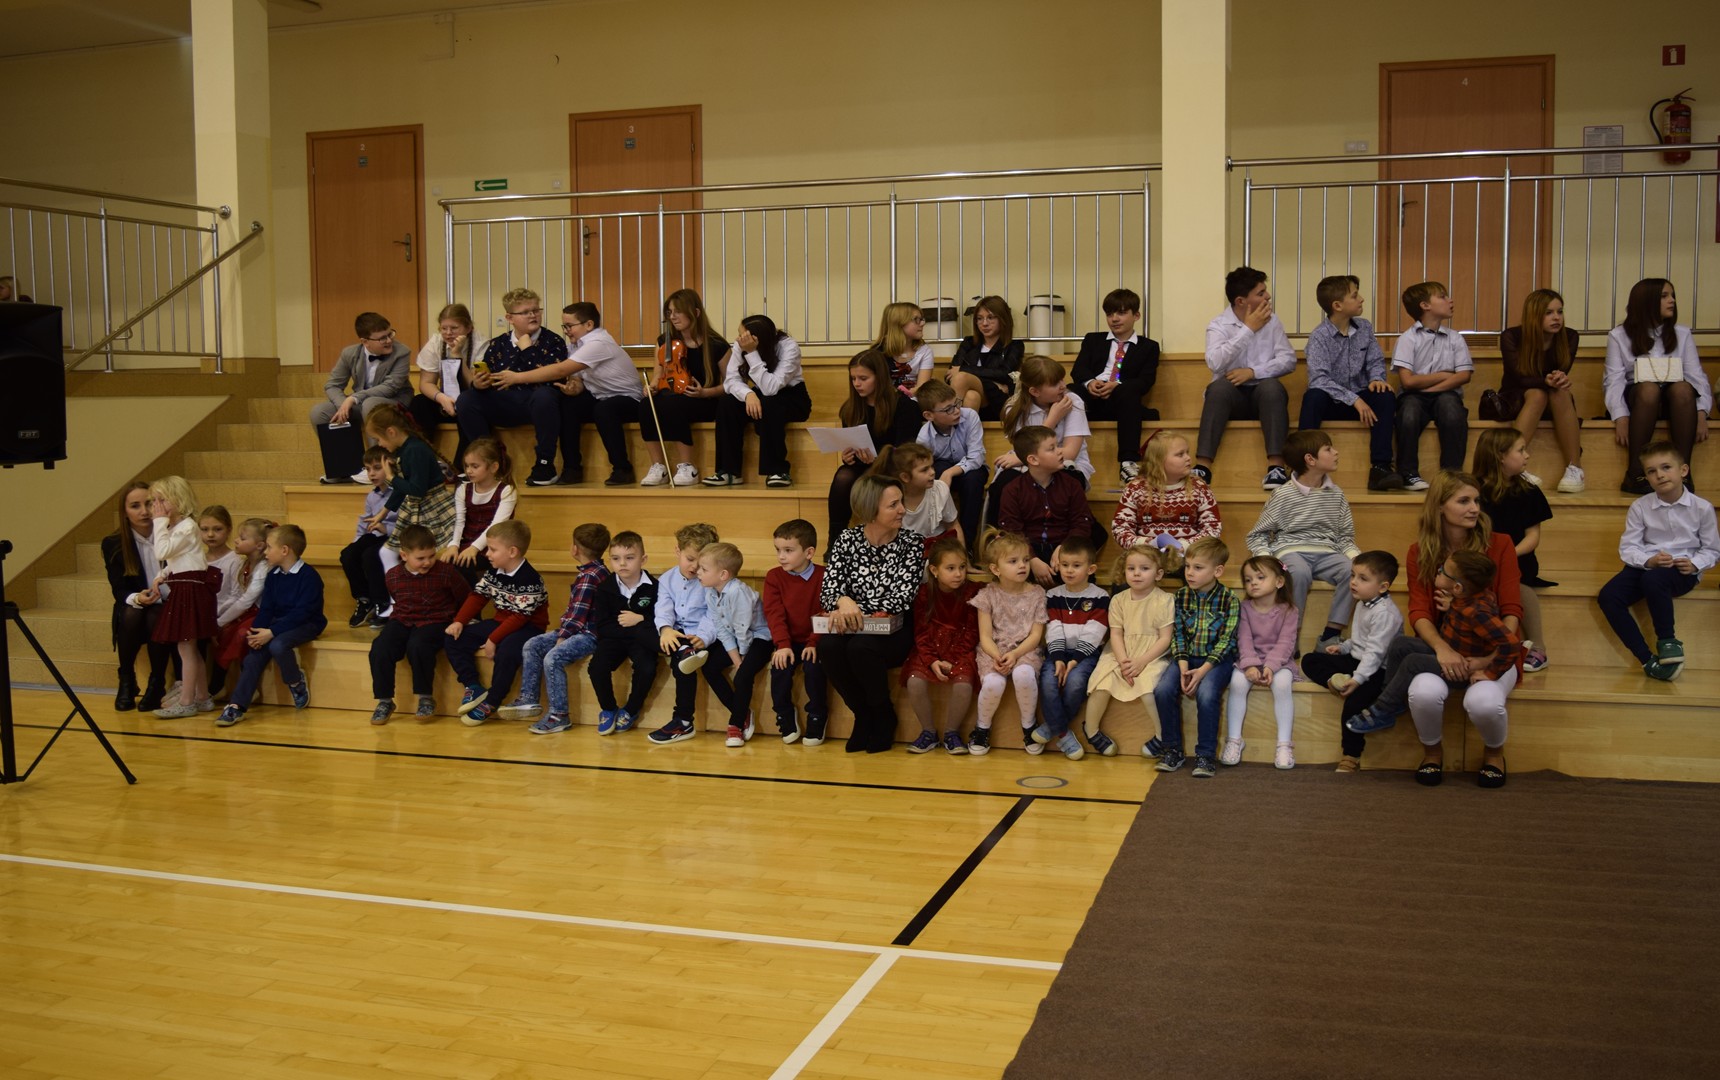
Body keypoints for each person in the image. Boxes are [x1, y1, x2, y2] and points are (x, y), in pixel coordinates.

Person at [1373, 471, 1521, 785]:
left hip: (1494, 652)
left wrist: (1488, 660)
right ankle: (1432, 753)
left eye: (1476, 501)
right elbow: (1419, 612)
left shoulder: (1501, 544)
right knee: (1423, 692)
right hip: (1444, 648)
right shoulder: (1419, 552)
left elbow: (1511, 609)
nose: (1474, 508)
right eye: (1464, 501)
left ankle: (1494, 753)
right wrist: (1443, 650)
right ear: (1440, 506)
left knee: (1482, 702)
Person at [1345, 549, 1520, 789]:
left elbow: (1511, 644)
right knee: (1401, 644)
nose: (1437, 571)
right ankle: (1390, 698)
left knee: (1412, 662)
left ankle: (1383, 709)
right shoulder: (1467, 599)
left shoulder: (1477, 612)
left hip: (1463, 668)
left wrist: (1488, 671)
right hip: (1452, 649)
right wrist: (1453, 605)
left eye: (1442, 571)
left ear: (1457, 587)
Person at [1598, 441, 1719, 681]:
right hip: (1647, 565)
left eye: (1666, 467)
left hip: (1682, 570)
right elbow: (1629, 547)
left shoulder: (1702, 508)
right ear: (1647, 478)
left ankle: (1668, 640)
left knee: (1654, 580)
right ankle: (1647, 660)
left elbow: (1712, 550)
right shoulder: (1640, 507)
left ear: (1683, 470)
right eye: (1652, 471)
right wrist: (1649, 560)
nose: (1660, 475)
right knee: (1609, 596)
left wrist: (1695, 564)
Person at [820, 475, 925, 753]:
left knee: (860, 647)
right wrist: (843, 600)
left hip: (895, 631)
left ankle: (883, 714)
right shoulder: (847, 539)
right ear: (870, 509)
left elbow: (901, 598)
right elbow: (828, 591)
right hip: (854, 626)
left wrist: (852, 607)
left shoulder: (912, 543)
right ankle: (862, 713)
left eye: (901, 502)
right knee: (828, 646)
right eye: (893, 505)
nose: (902, 509)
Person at [496, 302, 642, 486]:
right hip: (600, 396)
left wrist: (516, 378)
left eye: (569, 326)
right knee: (568, 405)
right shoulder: (575, 345)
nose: (566, 331)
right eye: (564, 326)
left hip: (629, 399)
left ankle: (622, 469)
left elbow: (561, 370)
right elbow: (577, 378)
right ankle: (572, 469)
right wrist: (575, 387)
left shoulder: (598, 343)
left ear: (589, 325)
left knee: (605, 409)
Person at [1244, 429, 1359, 646]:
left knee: (1352, 571)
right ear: (1310, 459)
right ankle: (1290, 635)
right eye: (1328, 449)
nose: (1335, 452)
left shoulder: (1337, 494)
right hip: (1290, 550)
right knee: (1298, 572)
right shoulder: (1283, 494)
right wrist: (1266, 558)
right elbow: (1258, 534)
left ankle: (1331, 634)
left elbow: (1345, 536)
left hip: (1327, 551)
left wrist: (1356, 558)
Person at [498, 523, 611, 734]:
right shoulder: (593, 571)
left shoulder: (590, 576)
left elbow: (578, 615)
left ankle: (559, 715)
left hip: (588, 635)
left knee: (553, 658)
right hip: (577, 630)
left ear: (575, 549)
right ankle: (529, 698)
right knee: (532, 645)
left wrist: (563, 636)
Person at [1299, 551, 1404, 774]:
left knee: (1353, 705)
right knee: (1309, 660)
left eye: (1363, 578)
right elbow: (1360, 641)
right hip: (1356, 661)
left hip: (1376, 671)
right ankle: (1334, 681)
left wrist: (1357, 680)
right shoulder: (1363, 602)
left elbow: (1374, 653)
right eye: (1353, 575)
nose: (1354, 582)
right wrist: (1343, 648)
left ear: (1383, 587)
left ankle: (1351, 755)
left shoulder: (1386, 614)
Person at [1605, 278, 1711, 494]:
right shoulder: (1618, 335)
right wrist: (1620, 416)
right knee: (1649, 389)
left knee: (1683, 388)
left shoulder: (1682, 333)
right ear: (1647, 301)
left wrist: (1701, 412)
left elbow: (1696, 376)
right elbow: (1613, 379)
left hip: (1677, 402)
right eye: (1664, 296)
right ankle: (1636, 473)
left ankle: (1682, 473)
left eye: (1672, 295)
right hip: (1639, 401)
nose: (1672, 301)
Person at [216, 525, 327, 727]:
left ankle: (295, 681)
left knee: (278, 645)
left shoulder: (309, 577)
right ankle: (236, 706)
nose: (265, 552)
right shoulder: (274, 575)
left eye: (269, 547)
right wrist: (256, 633)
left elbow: (303, 613)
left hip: (307, 623)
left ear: (284, 550)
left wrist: (272, 632)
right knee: (252, 658)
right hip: (279, 624)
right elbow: (266, 609)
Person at [456, 287, 570, 487]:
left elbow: (552, 378)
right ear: (510, 318)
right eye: (525, 312)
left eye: (536, 310)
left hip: (536, 403)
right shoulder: (497, 344)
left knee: (545, 395)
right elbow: (488, 376)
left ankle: (545, 464)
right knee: (467, 399)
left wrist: (527, 349)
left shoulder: (554, 341)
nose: (533, 315)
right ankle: (488, 461)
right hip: (504, 401)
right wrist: (479, 384)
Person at [1300, 274, 1404, 491]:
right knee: (1313, 396)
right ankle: (1303, 467)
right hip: (1333, 401)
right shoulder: (1319, 336)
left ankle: (1381, 468)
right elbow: (1319, 379)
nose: (1362, 299)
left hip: (1362, 400)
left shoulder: (1364, 328)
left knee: (1385, 396)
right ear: (1337, 306)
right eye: (1355, 296)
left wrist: (1377, 379)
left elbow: (1375, 360)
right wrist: (1353, 399)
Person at [444, 519, 550, 725]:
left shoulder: (530, 579)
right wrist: (459, 621)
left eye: (492, 549)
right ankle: (473, 686)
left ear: (512, 552)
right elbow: (478, 596)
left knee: (508, 650)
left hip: (528, 628)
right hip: (501, 622)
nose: (487, 554)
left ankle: (492, 701)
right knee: (454, 638)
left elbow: (520, 617)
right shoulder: (494, 571)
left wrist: (493, 639)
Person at [1150, 536, 1238, 778]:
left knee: (1207, 694)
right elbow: (1177, 634)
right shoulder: (1180, 597)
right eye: (1187, 566)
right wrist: (1182, 665)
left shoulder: (1230, 599)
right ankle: (1172, 749)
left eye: (1198, 568)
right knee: (1163, 690)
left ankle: (1206, 755)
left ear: (1217, 571)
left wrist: (1202, 671)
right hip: (1186, 658)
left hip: (1216, 662)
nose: (1189, 573)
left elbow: (1227, 641)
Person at [1199, 268, 1295, 489]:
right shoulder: (1218, 324)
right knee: (1218, 388)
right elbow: (1215, 363)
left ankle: (1276, 468)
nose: (1268, 296)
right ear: (1241, 301)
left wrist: (1253, 372)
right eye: (1261, 293)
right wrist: (1248, 329)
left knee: (1272, 387)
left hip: (1264, 398)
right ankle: (1202, 468)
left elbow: (1288, 360)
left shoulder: (1273, 321)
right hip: (1231, 400)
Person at [367, 524, 471, 724]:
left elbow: (466, 597)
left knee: (418, 645)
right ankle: (384, 701)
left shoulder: (446, 572)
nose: (427, 562)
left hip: (436, 620)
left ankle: (425, 698)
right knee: (380, 648)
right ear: (404, 556)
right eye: (420, 558)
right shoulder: (393, 575)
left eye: (431, 556)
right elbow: (397, 599)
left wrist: (460, 620)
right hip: (403, 619)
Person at [1472, 428, 1555, 673]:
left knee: (1516, 583)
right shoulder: (1473, 491)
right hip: (1480, 558)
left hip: (1518, 558)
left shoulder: (1529, 491)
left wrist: (1507, 556)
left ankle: (1538, 646)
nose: (1527, 455)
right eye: (1521, 450)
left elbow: (1533, 537)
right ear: (1500, 456)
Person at [1084, 544, 1174, 758]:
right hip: (1120, 652)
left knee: (1148, 689)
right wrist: (1124, 662)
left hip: (1151, 654)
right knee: (1101, 684)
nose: (1136, 573)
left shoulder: (1165, 600)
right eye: (1131, 568)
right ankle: (1091, 730)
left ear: (1158, 574)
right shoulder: (1118, 600)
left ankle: (1162, 735)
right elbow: (1115, 634)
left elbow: (1165, 638)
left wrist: (1141, 661)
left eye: (1144, 568)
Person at [827, 349, 924, 545]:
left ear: (879, 377)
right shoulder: (851, 408)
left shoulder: (905, 407)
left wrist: (877, 458)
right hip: (864, 464)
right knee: (843, 476)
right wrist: (848, 456)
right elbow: (852, 441)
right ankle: (835, 542)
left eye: (863, 378)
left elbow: (906, 452)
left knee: (878, 481)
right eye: (853, 378)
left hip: (893, 466)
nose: (857, 384)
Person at [965, 531, 1047, 756]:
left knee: (1023, 675)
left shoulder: (1037, 594)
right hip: (995, 651)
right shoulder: (987, 595)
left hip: (1025, 650)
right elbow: (985, 636)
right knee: (994, 683)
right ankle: (982, 728)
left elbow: (1035, 635)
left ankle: (1029, 726)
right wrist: (997, 656)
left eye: (1025, 560)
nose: (1022, 566)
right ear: (995, 569)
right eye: (1013, 561)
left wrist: (1015, 654)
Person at [987, 355, 1094, 528]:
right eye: (1054, 384)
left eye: (1061, 379)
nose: (1063, 386)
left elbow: (1070, 452)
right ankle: (1001, 538)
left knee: (1063, 483)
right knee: (1003, 485)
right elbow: (1025, 447)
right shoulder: (1013, 408)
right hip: (1028, 463)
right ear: (1035, 391)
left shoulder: (1072, 401)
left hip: (1064, 463)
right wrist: (1052, 419)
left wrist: (1021, 458)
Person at [707, 314, 812, 488]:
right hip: (759, 395)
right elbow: (731, 381)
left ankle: (777, 470)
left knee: (770, 404)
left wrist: (751, 353)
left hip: (791, 397)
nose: (738, 339)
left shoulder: (788, 347)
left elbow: (772, 387)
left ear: (757, 338)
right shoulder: (741, 345)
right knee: (727, 403)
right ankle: (728, 471)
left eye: (742, 335)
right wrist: (748, 394)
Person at [639, 289, 729, 487]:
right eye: (670, 312)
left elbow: (731, 384)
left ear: (695, 313)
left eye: (678, 311)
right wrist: (652, 387)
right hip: (672, 396)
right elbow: (658, 375)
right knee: (646, 404)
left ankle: (688, 466)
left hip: (705, 400)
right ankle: (658, 467)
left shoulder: (717, 345)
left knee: (674, 404)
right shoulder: (664, 341)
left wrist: (705, 392)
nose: (672, 317)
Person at [1030, 535, 1109, 761]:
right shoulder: (1053, 595)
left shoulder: (1100, 597)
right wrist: (1058, 658)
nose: (1069, 570)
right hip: (1057, 652)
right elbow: (1053, 628)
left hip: (1086, 654)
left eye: (1076, 565)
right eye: (1064, 565)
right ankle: (1063, 733)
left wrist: (1075, 660)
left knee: (1075, 683)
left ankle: (1051, 727)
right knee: (1048, 682)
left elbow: (1094, 632)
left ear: (1090, 569)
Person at [1497, 288, 1584, 492]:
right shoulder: (1511, 336)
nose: (1556, 318)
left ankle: (1575, 468)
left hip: (1554, 398)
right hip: (1517, 397)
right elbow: (1518, 377)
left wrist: (1559, 378)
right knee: (1538, 394)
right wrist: (1545, 381)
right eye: (1548, 313)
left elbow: (1563, 370)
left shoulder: (1570, 336)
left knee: (1560, 391)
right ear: (1534, 315)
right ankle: (1513, 468)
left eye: (1560, 312)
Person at [1070, 288, 1160, 483]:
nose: (1114, 319)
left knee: (1129, 390)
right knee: (1070, 390)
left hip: (1122, 401)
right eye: (1110, 314)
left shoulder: (1149, 347)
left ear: (1136, 316)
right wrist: (1090, 382)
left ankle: (1128, 462)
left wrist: (1117, 385)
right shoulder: (1093, 340)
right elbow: (1078, 370)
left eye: (1121, 313)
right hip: (1092, 399)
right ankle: (1063, 452)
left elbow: (1146, 381)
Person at [901, 536, 981, 755]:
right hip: (931, 647)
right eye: (951, 568)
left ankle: (952, 733)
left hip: (961, 648)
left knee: (964, 684)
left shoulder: (972, 592)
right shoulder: (924, 593)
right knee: (915, 681)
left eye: (962, 567)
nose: (959, 574)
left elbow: (972, 631)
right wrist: (932, 660)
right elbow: (920, 632)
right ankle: (928, 732)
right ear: (934, 570)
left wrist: (953, 659)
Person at [312, 312, 414, 484]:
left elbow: (390, 387)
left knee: (370, 404)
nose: (389, 340)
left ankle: (378, 466)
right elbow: (332, 385)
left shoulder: (402, 352)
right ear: (365, 342)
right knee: (319, 412)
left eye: (390, 334)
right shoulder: (349, 353)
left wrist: (353, 399)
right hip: (362, 403)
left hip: (394, 402)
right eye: (382, 338)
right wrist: (343, 405)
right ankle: (343, 468)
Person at [146, 475, 218, 718]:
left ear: (179, 499)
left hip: (191, 590)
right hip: (184, 586)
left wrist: (158, 523)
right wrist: (163, 574)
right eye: (154, 501)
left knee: (185, 646)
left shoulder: (187, 526)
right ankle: (202, 697)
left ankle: (187, 701)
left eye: (162, 500)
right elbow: (179, 559)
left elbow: (162, 551)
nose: (157, 507)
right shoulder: (177, 528)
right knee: (190, 648)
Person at [645, 523, 722, 745]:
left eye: (701, 562)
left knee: (682, 660)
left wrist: (703, 638)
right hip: (674, 634)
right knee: (643, 630)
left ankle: (683, 721)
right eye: (690, 559)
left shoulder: (711, 581)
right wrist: (665, 630)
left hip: (698, 636)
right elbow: (663, 609)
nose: (695, 567)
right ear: (677, 551)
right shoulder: (667, 579)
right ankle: (683, 650)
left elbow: (713, 615)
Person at [1392, 280, 1473, 492]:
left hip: (1445, 394)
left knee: (1452, 410)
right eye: (1443, 297)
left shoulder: (1455, 338)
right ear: (1425, 305)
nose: (1450, 300)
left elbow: (1464, 375)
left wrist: (1430, 388)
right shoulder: (1407, 339)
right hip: (1412, 395)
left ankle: (1451, 475)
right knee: (1408, 413)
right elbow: (1408, 381)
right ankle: (1408, 473)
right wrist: (1444, 374)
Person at [1222, 555, 1301, 770]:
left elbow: (1286, 643)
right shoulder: (1244, 608)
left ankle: (1284, 744)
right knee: (1237, 683)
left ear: (1279, 581)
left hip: (1279, 661)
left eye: (1260, 577)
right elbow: (1244, 639)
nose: (1253, 583)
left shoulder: (1289, 610)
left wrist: (1270, 667)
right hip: (1249, 659)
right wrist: (1250, 665)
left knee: (1282, 684)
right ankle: (1234, 740)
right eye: (1248, 580)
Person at [696, 541, 776, 746]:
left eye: (704, 569)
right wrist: (736, 659)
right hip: (736, 637)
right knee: (709, 667)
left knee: (743, 676)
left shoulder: (737, 592)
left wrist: (743, 660)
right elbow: (722, 629)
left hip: (759, 638)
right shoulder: (711, 592)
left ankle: (736, 724)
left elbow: (743, 630)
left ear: (723, 574)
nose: (698, 572)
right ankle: (742, 711)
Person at [103, 482, 174, 712]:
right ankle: (126, 679)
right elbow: (118, 589)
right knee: (132, 613)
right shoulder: (113, 543)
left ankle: (157, 682)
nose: (144, 511)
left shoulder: (171, 533)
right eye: (135, 506)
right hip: (136, 604)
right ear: (125, 512)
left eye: (149, 503)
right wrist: (137, 598)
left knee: (155, 616)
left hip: (169, 603)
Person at [997, 425, 1098, 585]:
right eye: (1052, 449)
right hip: (1027, 551)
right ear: (1033, 460)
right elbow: (1012, 531)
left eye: (1058, 446)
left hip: (1065, 546)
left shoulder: (1072, 484)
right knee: (1013, 566)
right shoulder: (1013, 490)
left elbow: (1082, 523)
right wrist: (1032, 559)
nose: (1060, 451)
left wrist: (1064, 548)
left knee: (1078, 567)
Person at [1110, 430, 1222, 573]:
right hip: (1146, 555)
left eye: (1187, 452)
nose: (1188, 458)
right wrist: (1145, 543)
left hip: (1188, 556)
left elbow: (1212, 527)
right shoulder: (1135, 488)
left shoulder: (1199, 487)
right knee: (1129, 574)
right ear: (1159, 461)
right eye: (1180, 454)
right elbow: (1120, 528)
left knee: (1200, 571)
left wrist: (1185, 546)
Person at [363, 403, 458, 563]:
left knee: (416, 556)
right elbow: (403, 488)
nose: (379, 444)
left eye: (378, 439)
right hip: (418, 505)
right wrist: (383, 513)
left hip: (431, 508)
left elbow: (417, 490)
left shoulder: (414, 450)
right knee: (388, 553)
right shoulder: (404, 449)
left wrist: (391, 478)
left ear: (391, 432)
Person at [587, 531, 660, 736]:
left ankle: (631, 709)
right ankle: (608, 708)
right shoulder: (605, 588)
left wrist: (641, 619)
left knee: (647, 667)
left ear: (643, 559)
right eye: (616, 558)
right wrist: (633, 628)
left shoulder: (655, 588)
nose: (622, 564)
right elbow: (603, 626)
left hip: (642, 639)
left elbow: (659, 619)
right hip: (614, 639)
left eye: (629, 558)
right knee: (597, 666)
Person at [763, 520, 828, 745]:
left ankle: (817, 714)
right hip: (788, 641)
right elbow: (774, 614)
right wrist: (782, 645)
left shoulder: (824, 575)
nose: (781, 556)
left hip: (815, 639)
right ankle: (784, 713)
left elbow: (826, 612)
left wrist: (814, 642)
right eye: (778, 550)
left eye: (788, 550)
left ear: (809, 552)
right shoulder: (774, 577)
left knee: (814, 668)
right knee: (780, 668)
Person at [914, 380, 988, 549]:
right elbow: (921, 466)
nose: (956, 411)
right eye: (948, 409)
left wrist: (950, 473)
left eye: (956, 404)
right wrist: (944, 474)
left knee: (973, 479)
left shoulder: (970, 416)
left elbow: (976, 457)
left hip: (971, 470)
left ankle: (967, 544)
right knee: (936, 470)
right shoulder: (924, 437)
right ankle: (940, 541)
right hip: (942, 471)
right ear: (929, 416)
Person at [443, 437, 518, 587]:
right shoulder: (463, 489)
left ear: (493, 467)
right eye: (466, 466)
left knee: (464, 565)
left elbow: (496, 526)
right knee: (448, 562)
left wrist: (474, 548)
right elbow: (459, 521)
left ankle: (476, 599)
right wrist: (454, 545)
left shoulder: (506, 490)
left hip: (495, 545)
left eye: (475, 466)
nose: (468, 471)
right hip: (468, 541)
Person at [211, 517, 274, 692]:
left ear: (259, 545)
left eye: (243, 538)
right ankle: (218, 685)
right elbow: (236, 596)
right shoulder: (243, 564)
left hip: (262, 614)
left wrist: (219, 622)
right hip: (248, 612)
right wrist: (218, 616)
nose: (236, 541)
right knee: (225, 634)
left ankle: (248, 688)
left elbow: (246, 600)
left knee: (240, 634)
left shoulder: (263, 568)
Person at [409, 303, 477, 466]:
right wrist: (441, 398)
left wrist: (457, 354)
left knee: (469, 405)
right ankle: (422, 460)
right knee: (419, 403)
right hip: (445, 400)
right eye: (444, 328)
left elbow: (474, 384)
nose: (448, 333)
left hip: (469, 400)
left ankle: (460, 468)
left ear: (468, 328)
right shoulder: (435, 343)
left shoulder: (481, 344)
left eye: (454, 328)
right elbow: (426, 383)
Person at [338, 447, 395, 629]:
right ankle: (364, 599)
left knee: (371, 556)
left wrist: (386, 528)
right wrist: (356, 543)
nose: (371, 474)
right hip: (375, 535)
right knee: (348, 554)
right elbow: (365, 521)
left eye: (377, 468)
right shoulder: (372, 495)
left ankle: (382, 603)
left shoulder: (400, 493)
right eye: (368, 469)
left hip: (395, 537)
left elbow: (408, 523)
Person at [946, 295, 1024, 418]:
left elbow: (1005, 374)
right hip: (975, 401)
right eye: (979, 318)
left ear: (1003, 319)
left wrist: (964, 370)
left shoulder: (1014, 345)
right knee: (971, 396)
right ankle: (962, 430)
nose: (984, 323)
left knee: (962, 377)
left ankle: (948, 421)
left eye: (990, 318)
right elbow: (950, 375)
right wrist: (992, 382)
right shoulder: (969, 343)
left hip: (998, 401)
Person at [875, 443, 958, 546]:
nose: (932, 472)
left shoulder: (939, 490)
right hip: (903, 549)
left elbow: (953, 525)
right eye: (924, 470)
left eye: (932, 466)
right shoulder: (889, 498)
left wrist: (962, 554)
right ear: (905, 477)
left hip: (936, 548)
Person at [874, 302, 934, 395]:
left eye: (922, 319)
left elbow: (921, 388)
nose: (923, 323)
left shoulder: (924, 351)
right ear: (898, 323)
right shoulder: (877, 352)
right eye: (916, 319)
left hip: (913, 399)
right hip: (885, 399)